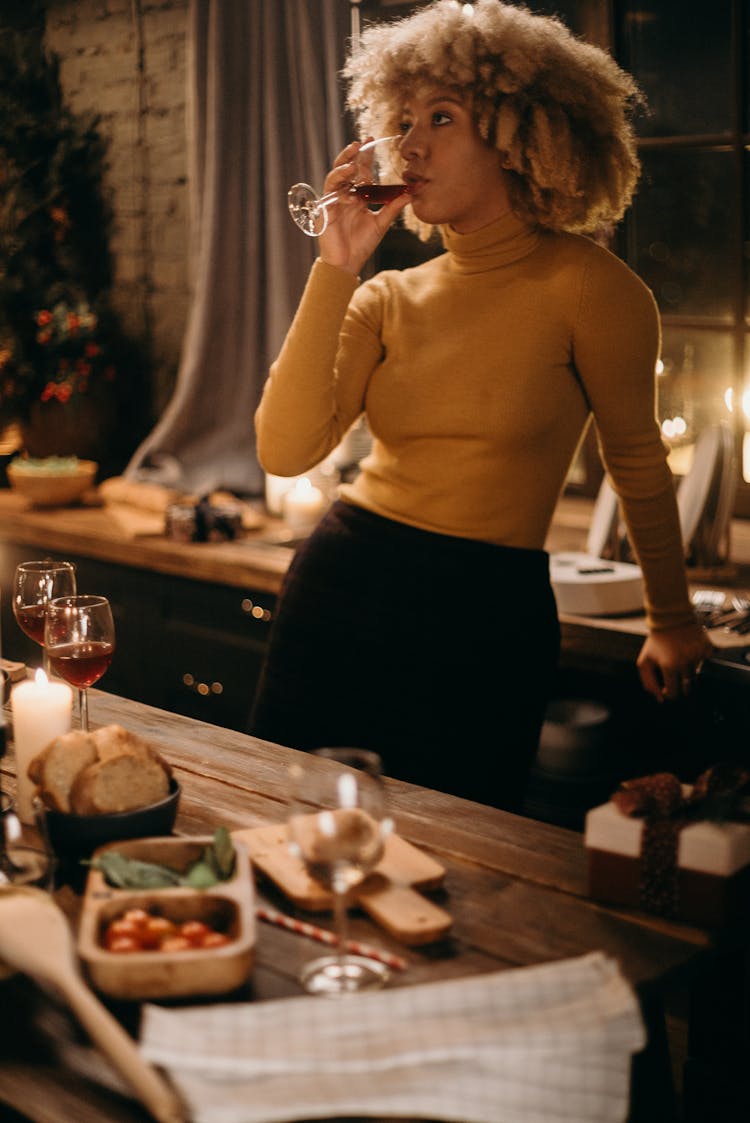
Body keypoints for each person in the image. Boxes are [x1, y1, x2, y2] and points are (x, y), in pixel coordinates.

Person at [250, 0, 712, 811]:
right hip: (343, 585)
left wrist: (669, 616)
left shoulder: (595, 291)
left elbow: (635, 458)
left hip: (487, 614)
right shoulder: (385, 295)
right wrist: (335, 268)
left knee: (462, 864)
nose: (412, 142)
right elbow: (283, 450)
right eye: (402, 119)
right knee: (287, 835)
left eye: (442, 116)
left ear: (517, 133)